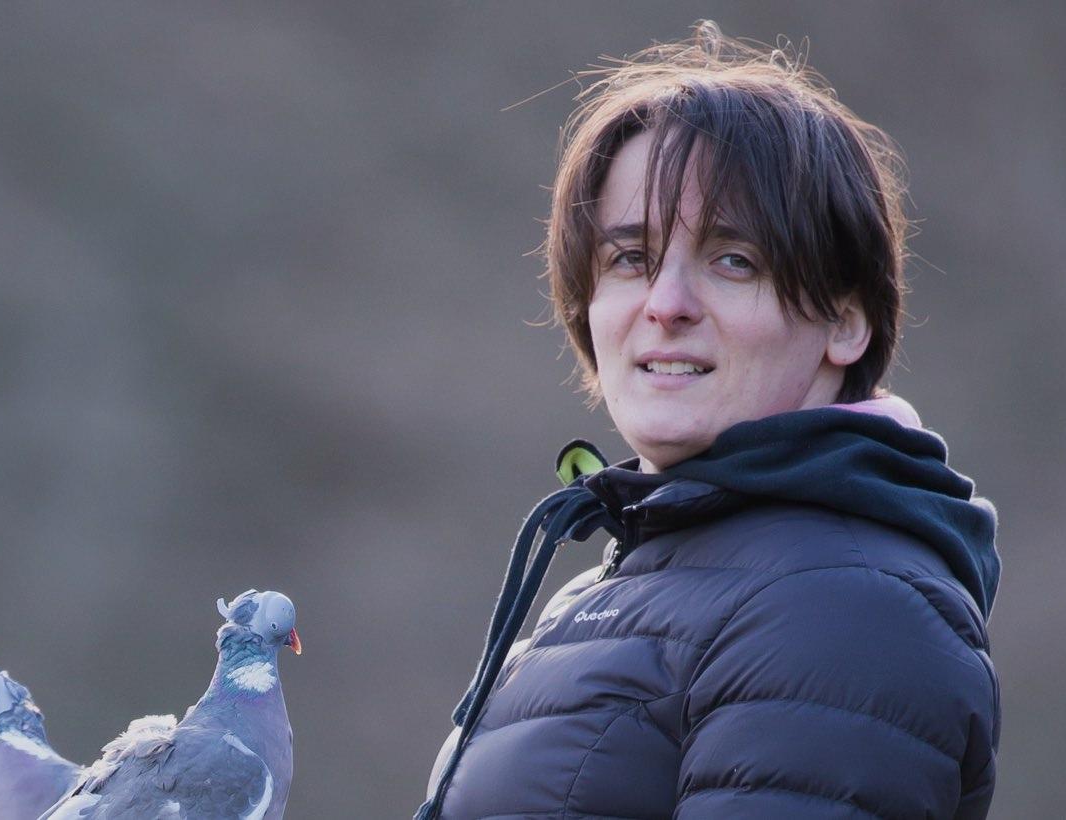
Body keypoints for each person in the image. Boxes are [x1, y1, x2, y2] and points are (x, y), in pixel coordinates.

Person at [416, 22, 1002, 819]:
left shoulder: (845, 606)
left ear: (846, 319)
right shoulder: (616, 587)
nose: (666, 305)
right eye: (629, 258)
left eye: (735, 261)